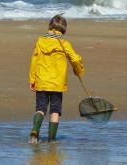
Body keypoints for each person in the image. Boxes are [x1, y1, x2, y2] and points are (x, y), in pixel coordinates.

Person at [28, 14, 84, 143]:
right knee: (55, 111)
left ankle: (35, 131)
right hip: (57, 84)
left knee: (40, 109)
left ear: (50, 26)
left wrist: (32, 79)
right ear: (63, 29)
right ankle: (51, 140)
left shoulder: (40, 41)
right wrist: (79, 70)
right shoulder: (64, 43)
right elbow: (75, 59)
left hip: (41, 81)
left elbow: (34, 61)